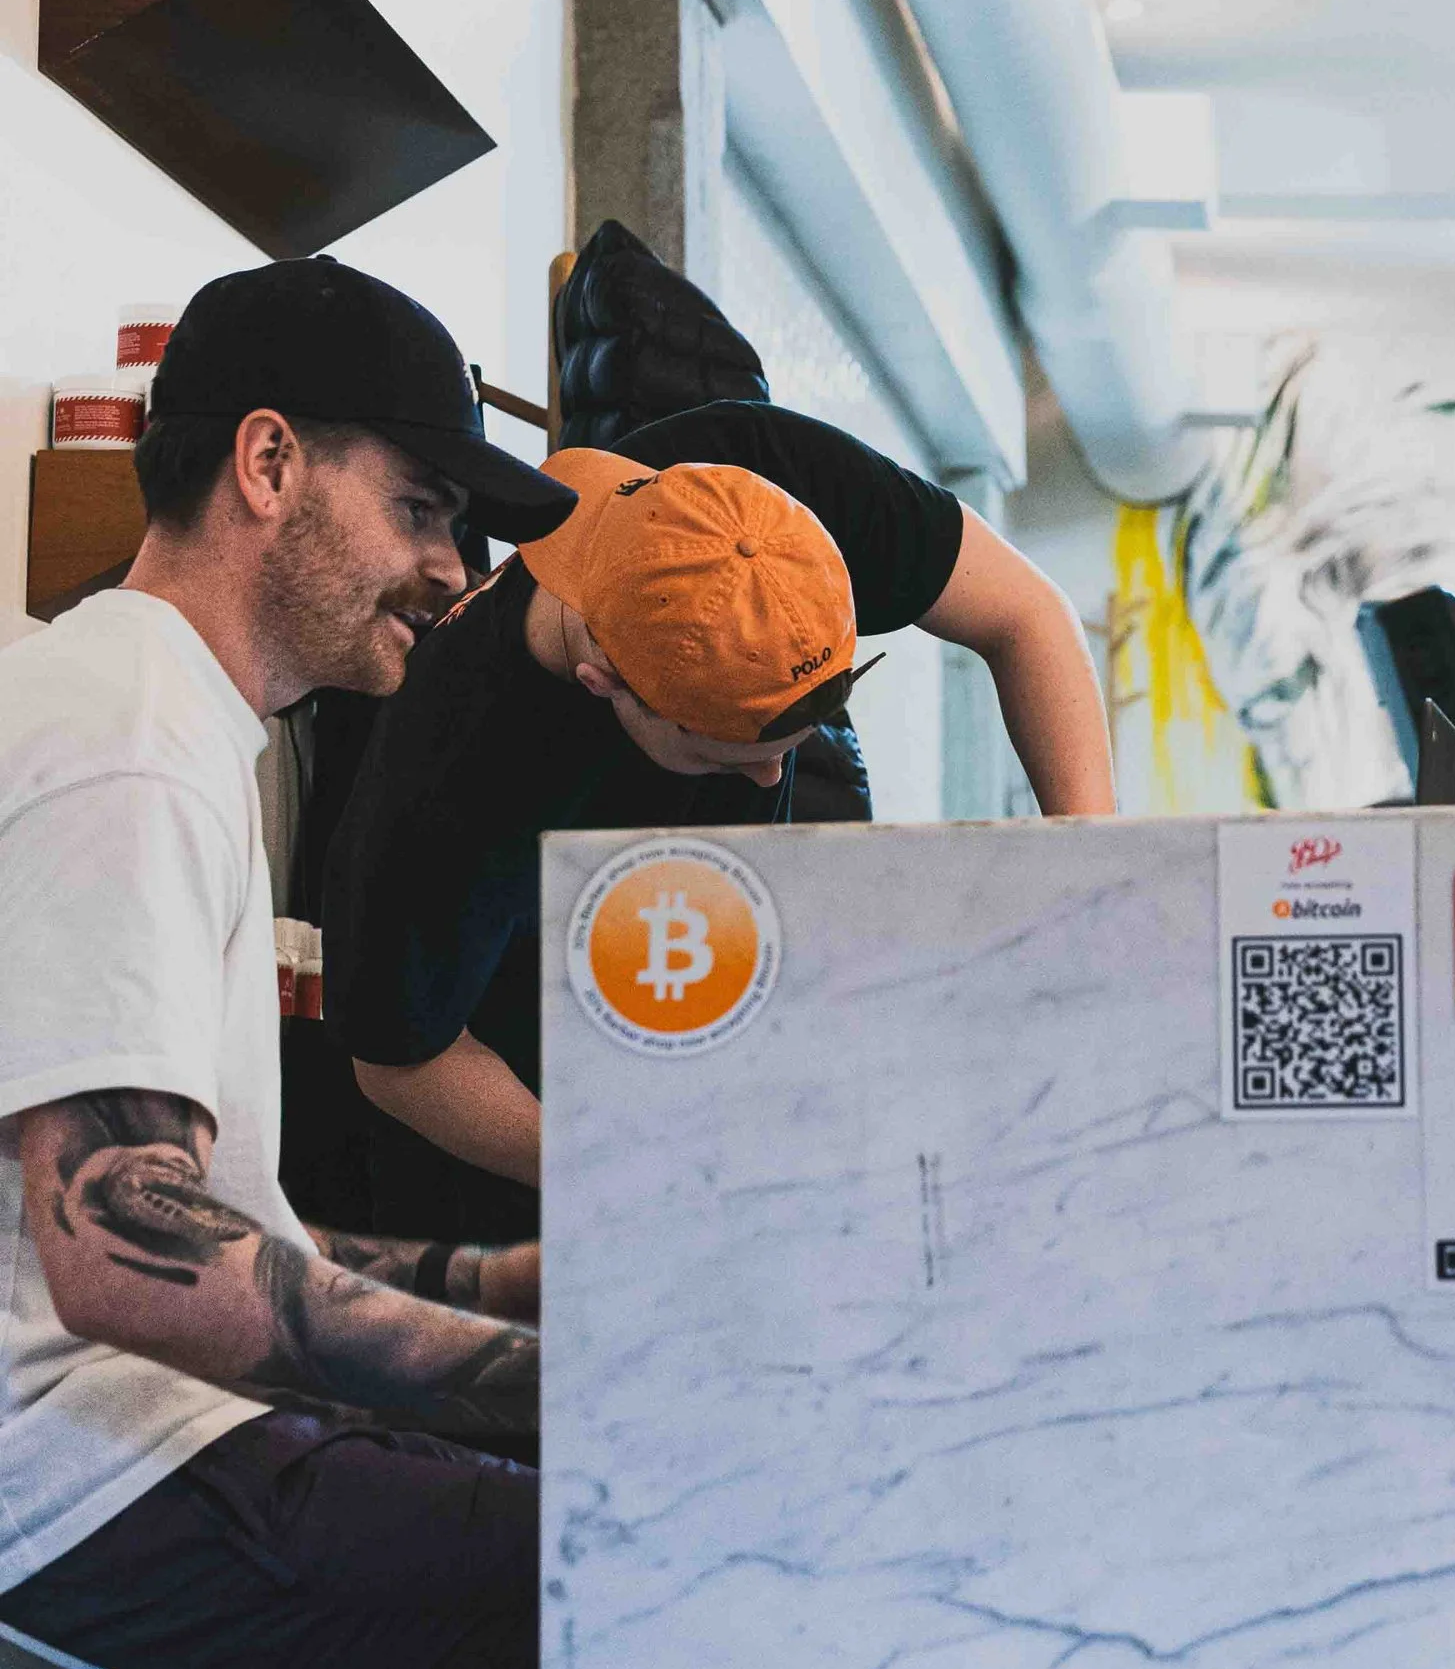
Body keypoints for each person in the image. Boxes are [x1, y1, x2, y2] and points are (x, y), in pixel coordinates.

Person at [0, 262, 576, 1669]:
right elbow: (127, 1262)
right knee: (661, 1543)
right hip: (73, 1488)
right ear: (268, 463)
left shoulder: (157, 719)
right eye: (423, 510)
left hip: (126, 1443)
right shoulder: (127, 744)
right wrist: (565, 1385)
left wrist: (495, 1279)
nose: (457, 573)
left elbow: (198, 1219)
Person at [326, 400, 1113, 1236]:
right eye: (726, 752)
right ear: (607, 683)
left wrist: (1094, 881)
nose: (775, 773)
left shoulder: (756, 499)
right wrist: (627, 1168)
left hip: (702, 966)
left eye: (784, 744)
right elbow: (400, 1065)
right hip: (531, 1075)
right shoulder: (449, 775)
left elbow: (1026, 617)